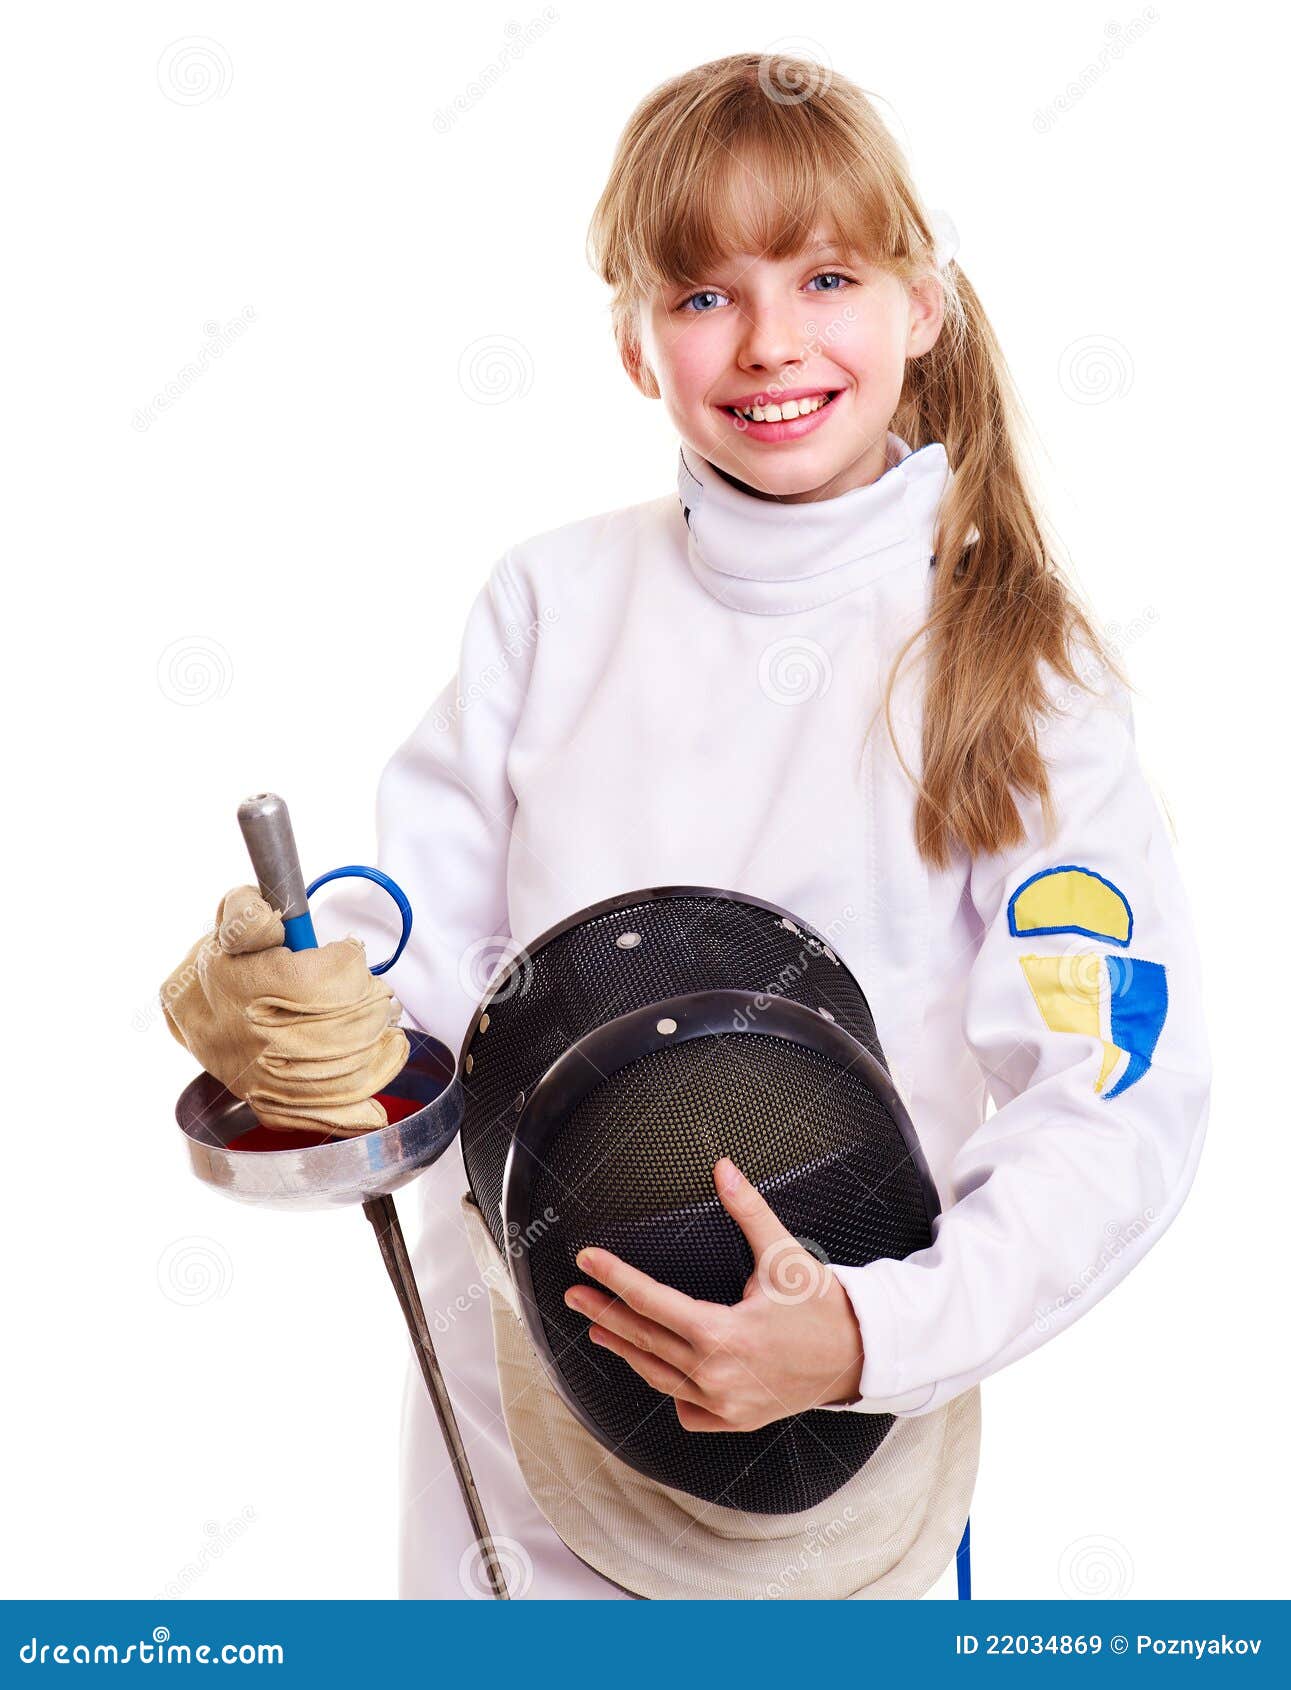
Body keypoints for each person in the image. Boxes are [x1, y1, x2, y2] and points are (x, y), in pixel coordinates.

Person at [162, 53, 1211, 1599]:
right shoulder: (550, 603)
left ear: (923, 306)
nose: (770, 340)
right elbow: (422, 986)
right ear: (638, 347)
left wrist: (869, 1334)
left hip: (834, 1462)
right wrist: (301, 997)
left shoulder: (1013, 668)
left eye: (827, 274)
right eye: (704, 293)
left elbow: (1119, 1095)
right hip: (515, 1441)